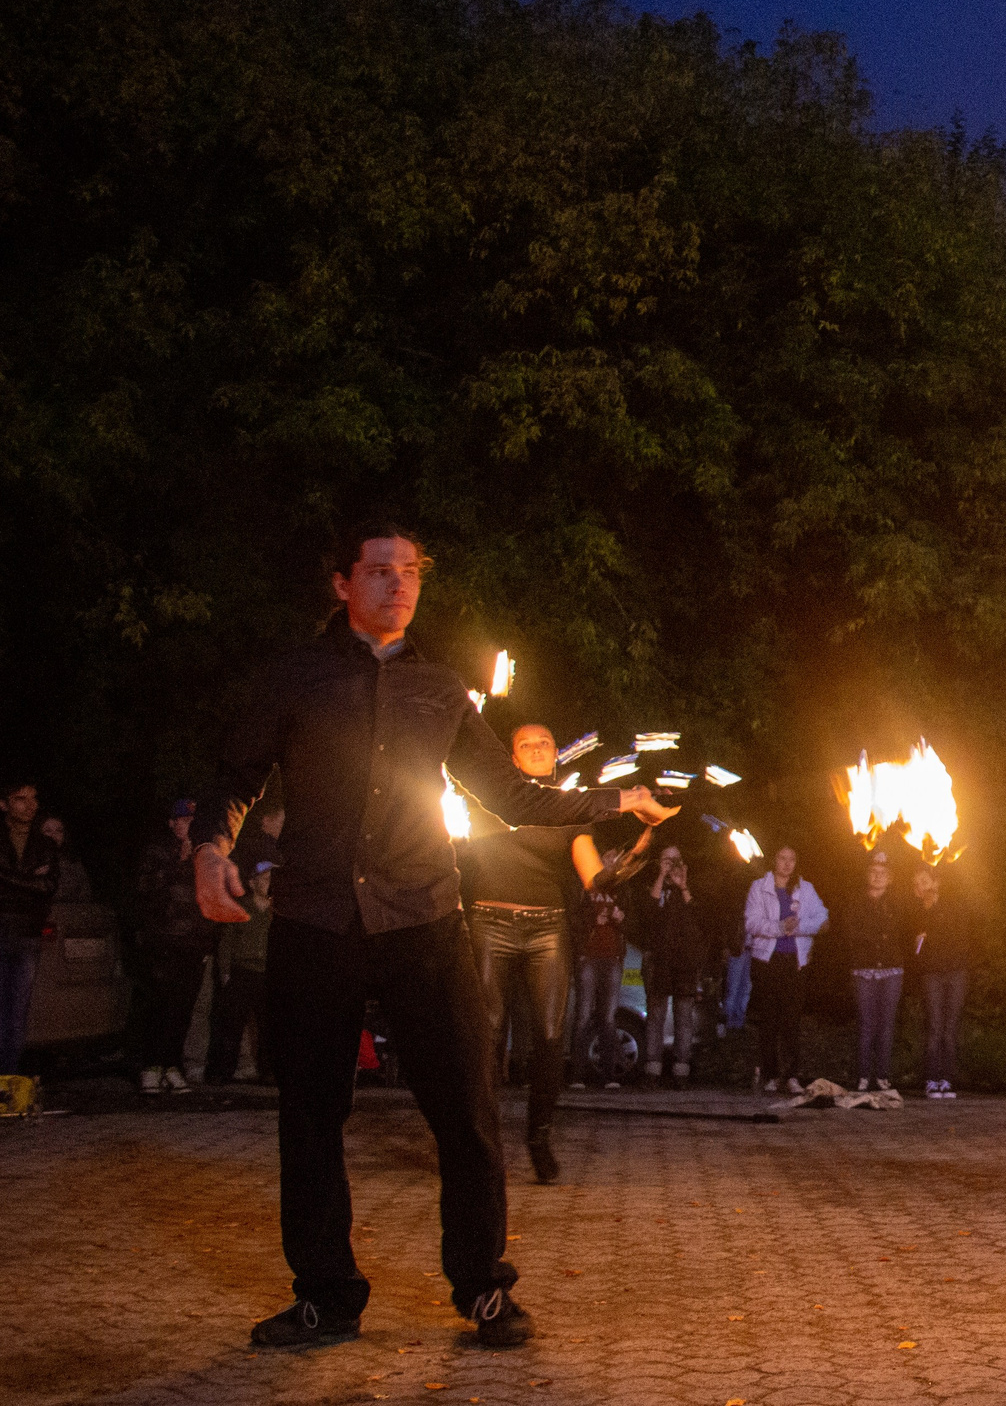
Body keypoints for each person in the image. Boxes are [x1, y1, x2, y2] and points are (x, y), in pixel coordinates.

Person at [190, 523, 668, 1350]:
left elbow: (514, 797)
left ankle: (482, 1286)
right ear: (342, 583)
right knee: (308, 1115)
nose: (398, 584)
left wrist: (614, 804)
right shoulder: (294, 679)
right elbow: (235, 778)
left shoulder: (441, 690)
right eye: (379, 571)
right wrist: (209, 849)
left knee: (467, 1109)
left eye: (410, 571)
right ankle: (326, 1296)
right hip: (316, 920)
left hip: (423, 919)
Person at [462, 722, 646, 1180]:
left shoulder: (569, 808)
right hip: (490, 922)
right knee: (487, 1037)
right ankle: (477, 1146)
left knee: (549, 1037)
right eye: (526, 742)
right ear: (513, 757)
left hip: (548, 929)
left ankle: (539, 1139)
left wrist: (630, 861)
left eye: (546, 741)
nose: (538, 747)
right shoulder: (488, 800)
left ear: (555, 753)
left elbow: (594, 879)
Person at [131, 799, 216, 1093]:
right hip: (163, 941)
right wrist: (178, 862)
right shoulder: (157, 851)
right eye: (182, 820)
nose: (187, 825)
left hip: (194, 942)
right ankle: (151, 1065)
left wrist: (208, 939)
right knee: (160, 1003)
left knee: (184, 1007)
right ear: (171, 822)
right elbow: (145, 889)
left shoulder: (205, 853)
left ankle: (172, 1065)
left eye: (192, 820)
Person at [0, 781, 58, 1075]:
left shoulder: (45, 845)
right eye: (20, 798)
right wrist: (28, 881)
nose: (30, 805)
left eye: (33, 798)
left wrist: (4, 878)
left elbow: (48, 886)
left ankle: (9, 1082)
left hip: (27, 934)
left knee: (17, 1017)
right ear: (4, 804)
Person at [742, 845, 828, 1094]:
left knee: (792, 1020)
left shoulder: (805, 888)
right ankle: (769, 1074)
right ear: (774, 860)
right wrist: (779, 927)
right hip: (767, 962)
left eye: (792, 859)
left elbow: (823, 918)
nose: (787, 864)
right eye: (782, 858)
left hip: (796, 962)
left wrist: (798, 927)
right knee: (769, 1019)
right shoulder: (759, 887)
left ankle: (791, 1076)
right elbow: (752, 922)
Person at [206, 803, 281, 1084]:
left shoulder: (277, 911)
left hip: (266, 973)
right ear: (253, 882)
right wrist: (225, 971)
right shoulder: (244, 907)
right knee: (231, 1024)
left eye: (270, 878)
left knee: (268, 1027)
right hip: (242, 971)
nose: (266, 882)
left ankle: (270, 1073)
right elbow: (227, 940)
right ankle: (220, 1072)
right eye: (262, 878)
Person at [566, 845, 645, 1089]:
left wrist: (622, 920)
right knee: (583, 1015)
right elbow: (573, 918)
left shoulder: (621, 889)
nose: (612, 862)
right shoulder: (587, 885)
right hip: (588, 957)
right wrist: (593, 920)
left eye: (616, 859)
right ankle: (577, 1076)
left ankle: (608, 1077)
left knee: (608, 1016)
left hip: (612, 958)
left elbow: (633, 926)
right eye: (608, 857)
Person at [840, 851, 911, 1092]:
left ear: (890, 878)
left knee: (887, 1024)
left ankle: (882, 1075)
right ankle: (862, 1075)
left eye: (883, 873)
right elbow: (850, 934)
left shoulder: (898, 903)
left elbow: (906, 932)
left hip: (891, 970)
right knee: (866, 1023)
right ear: (866, 875)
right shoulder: (856, 902)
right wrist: (872, 940)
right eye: (873, 872)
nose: (878, 876)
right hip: (864, 970)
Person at [639, 846, 707, 1087]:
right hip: (659, 961)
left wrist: (683, 886)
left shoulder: (689, 886)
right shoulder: (653, 886)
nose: (671, 864)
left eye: (675, 859)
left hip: (685, 963)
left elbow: (700, 917)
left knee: (683, 1017)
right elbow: (647, 913)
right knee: (655, 1016)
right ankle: (652, 1070)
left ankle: (681, 1071)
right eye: (666, 859)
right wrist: (661, 877)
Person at [909, 861, 974, 1098]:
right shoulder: (916, 911)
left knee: (950, 1027)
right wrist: (925, 913)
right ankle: (931, 1079)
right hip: (932, 974)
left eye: (925, 882)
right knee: (935, 1026)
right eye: (916, 885)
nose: (921, 888)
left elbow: (960, 934)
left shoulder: (953, 905)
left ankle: (947, 1078)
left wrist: (934, 910)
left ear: (936, 883)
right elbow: (916, 946)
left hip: (956, 971)